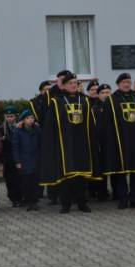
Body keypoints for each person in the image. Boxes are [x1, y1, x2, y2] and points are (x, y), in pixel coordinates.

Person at [38, 71, 96, 214]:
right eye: (70, 83)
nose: (73, 85)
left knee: (81, 174)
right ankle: (66, 204)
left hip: (81, 142)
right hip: (64, 144)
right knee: (66, 175)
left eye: (75, 83)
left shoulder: (84, 101)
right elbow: (50, 126)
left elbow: (90, 123)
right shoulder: (56, 102)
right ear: (63, 86)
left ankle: (82, 202)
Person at [101, 73, 135, 209]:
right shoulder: (111, 100)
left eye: (128, 82)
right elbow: (107, 124)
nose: (126, 84)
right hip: (119, 141)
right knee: (121, 170)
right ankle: (123, 197)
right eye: (124, 82)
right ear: (118, 84)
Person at [12, 106, 41, 211]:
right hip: (24, 160)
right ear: (23, 120)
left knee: (35, 182)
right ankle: (28, 201)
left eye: (32, 118)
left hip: (36, 159)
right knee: (26, 182)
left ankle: (35, 201)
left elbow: (41, 143)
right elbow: (15, 147)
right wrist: (17, 161)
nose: (30, 120)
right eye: (28, 118)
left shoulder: (37, 129)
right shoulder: (18, 130)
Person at [0, 105, 22, 207]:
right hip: (8, 158)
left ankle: (21, 197)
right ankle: (13, 198)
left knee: (20, 178)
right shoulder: (1, 128)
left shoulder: (20, 126)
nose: (9, 118)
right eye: (7, 116)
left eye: (11, 116)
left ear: (16, 116)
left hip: (19, 157)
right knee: (10, 179)